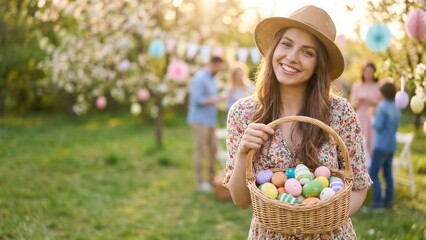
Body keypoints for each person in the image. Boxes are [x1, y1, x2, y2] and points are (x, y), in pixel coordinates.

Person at [222, 5, 372, 239]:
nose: (291, 57)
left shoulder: (340, 113)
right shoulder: (243, 113)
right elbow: (240, 201)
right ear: (274, 48)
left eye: (307, 52)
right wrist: (243, 153)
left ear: (317, 65)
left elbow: (359, 187)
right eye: (287, 44)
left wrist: (320, 219)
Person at [187, 56, 225, 192]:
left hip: (211, 120)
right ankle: (200, 182)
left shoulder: (213, 78)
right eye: (219, 67)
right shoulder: (199, 78)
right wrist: (216, 99)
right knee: (200, 150)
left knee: (214, 150)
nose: (220, 70)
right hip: (200, 120)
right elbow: (197, 100)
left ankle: (212, 178)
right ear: (213, 64)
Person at [369, 82, 401, 211]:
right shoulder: (396, 107)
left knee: (373, 173)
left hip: (381, 145)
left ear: (383, 93)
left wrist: (372, 116)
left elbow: (378, 125)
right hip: (391, 145)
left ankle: (378, 203)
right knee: (388, 174)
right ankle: (389, 201)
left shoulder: (382, 107)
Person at [350, 62, 381, 159]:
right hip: (360, 118)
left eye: (370, 71)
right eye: (366, 71)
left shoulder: (378, 86)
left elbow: (382, 104)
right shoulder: (357, 86)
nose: (368, 73)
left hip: (373, 118)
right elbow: (352, 106)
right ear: (363, 72)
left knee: (372, 141)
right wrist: (359, 101)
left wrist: (370, 100)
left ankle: (373, 166)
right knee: (360, 141)